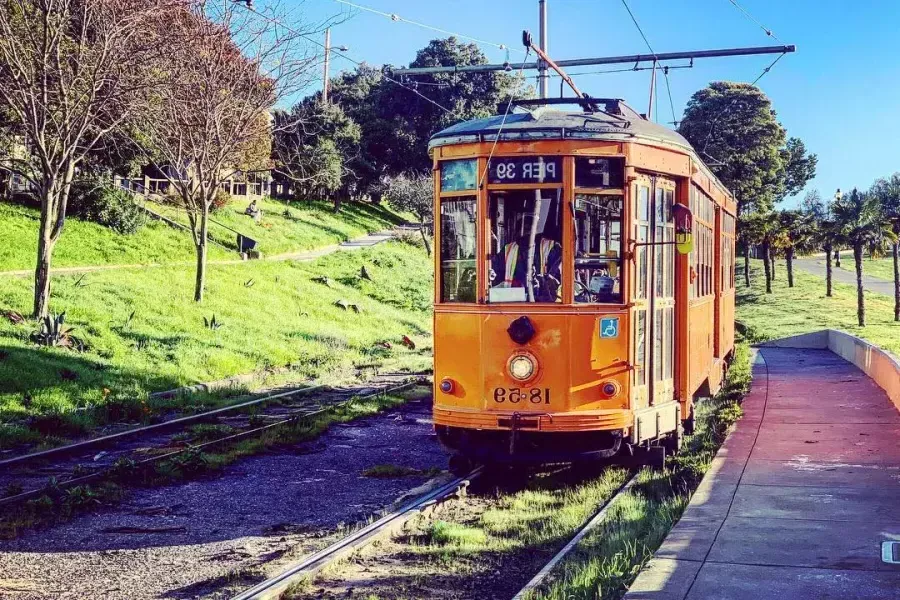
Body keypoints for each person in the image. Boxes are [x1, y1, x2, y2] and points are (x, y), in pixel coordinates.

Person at [491, 228, 562, 302]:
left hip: (545, 309)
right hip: (513, 308)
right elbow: (492, 276)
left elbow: (558, 286)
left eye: (530, 222)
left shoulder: (552, 248)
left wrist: (544, 284)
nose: (525, 227)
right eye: (522, 224)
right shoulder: (508, 249)